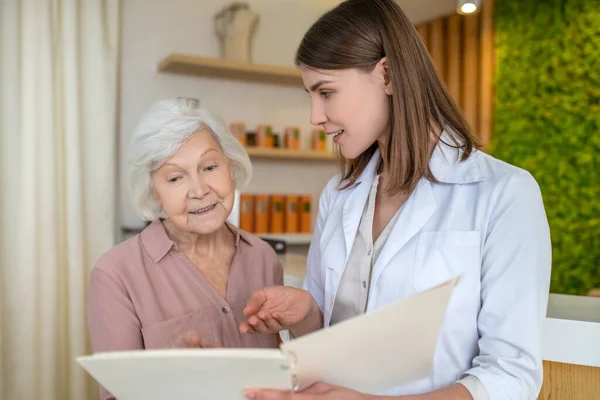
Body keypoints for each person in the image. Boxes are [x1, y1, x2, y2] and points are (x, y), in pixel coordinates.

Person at [240, 1, 552, 399]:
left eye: (326, 92)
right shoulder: (338, 197)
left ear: (386, 74)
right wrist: (305, 315)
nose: (314, 116)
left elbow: (511, 376)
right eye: (311, 95)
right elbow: (331, 346)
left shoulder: (504, 193)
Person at [87, 98, 283, 400]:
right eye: (176, 177)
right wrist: (166, 375)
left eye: (209, 167)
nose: (200, 190)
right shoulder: (114, 275)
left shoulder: (263, 257)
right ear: (154, 191)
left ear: (229, 166)